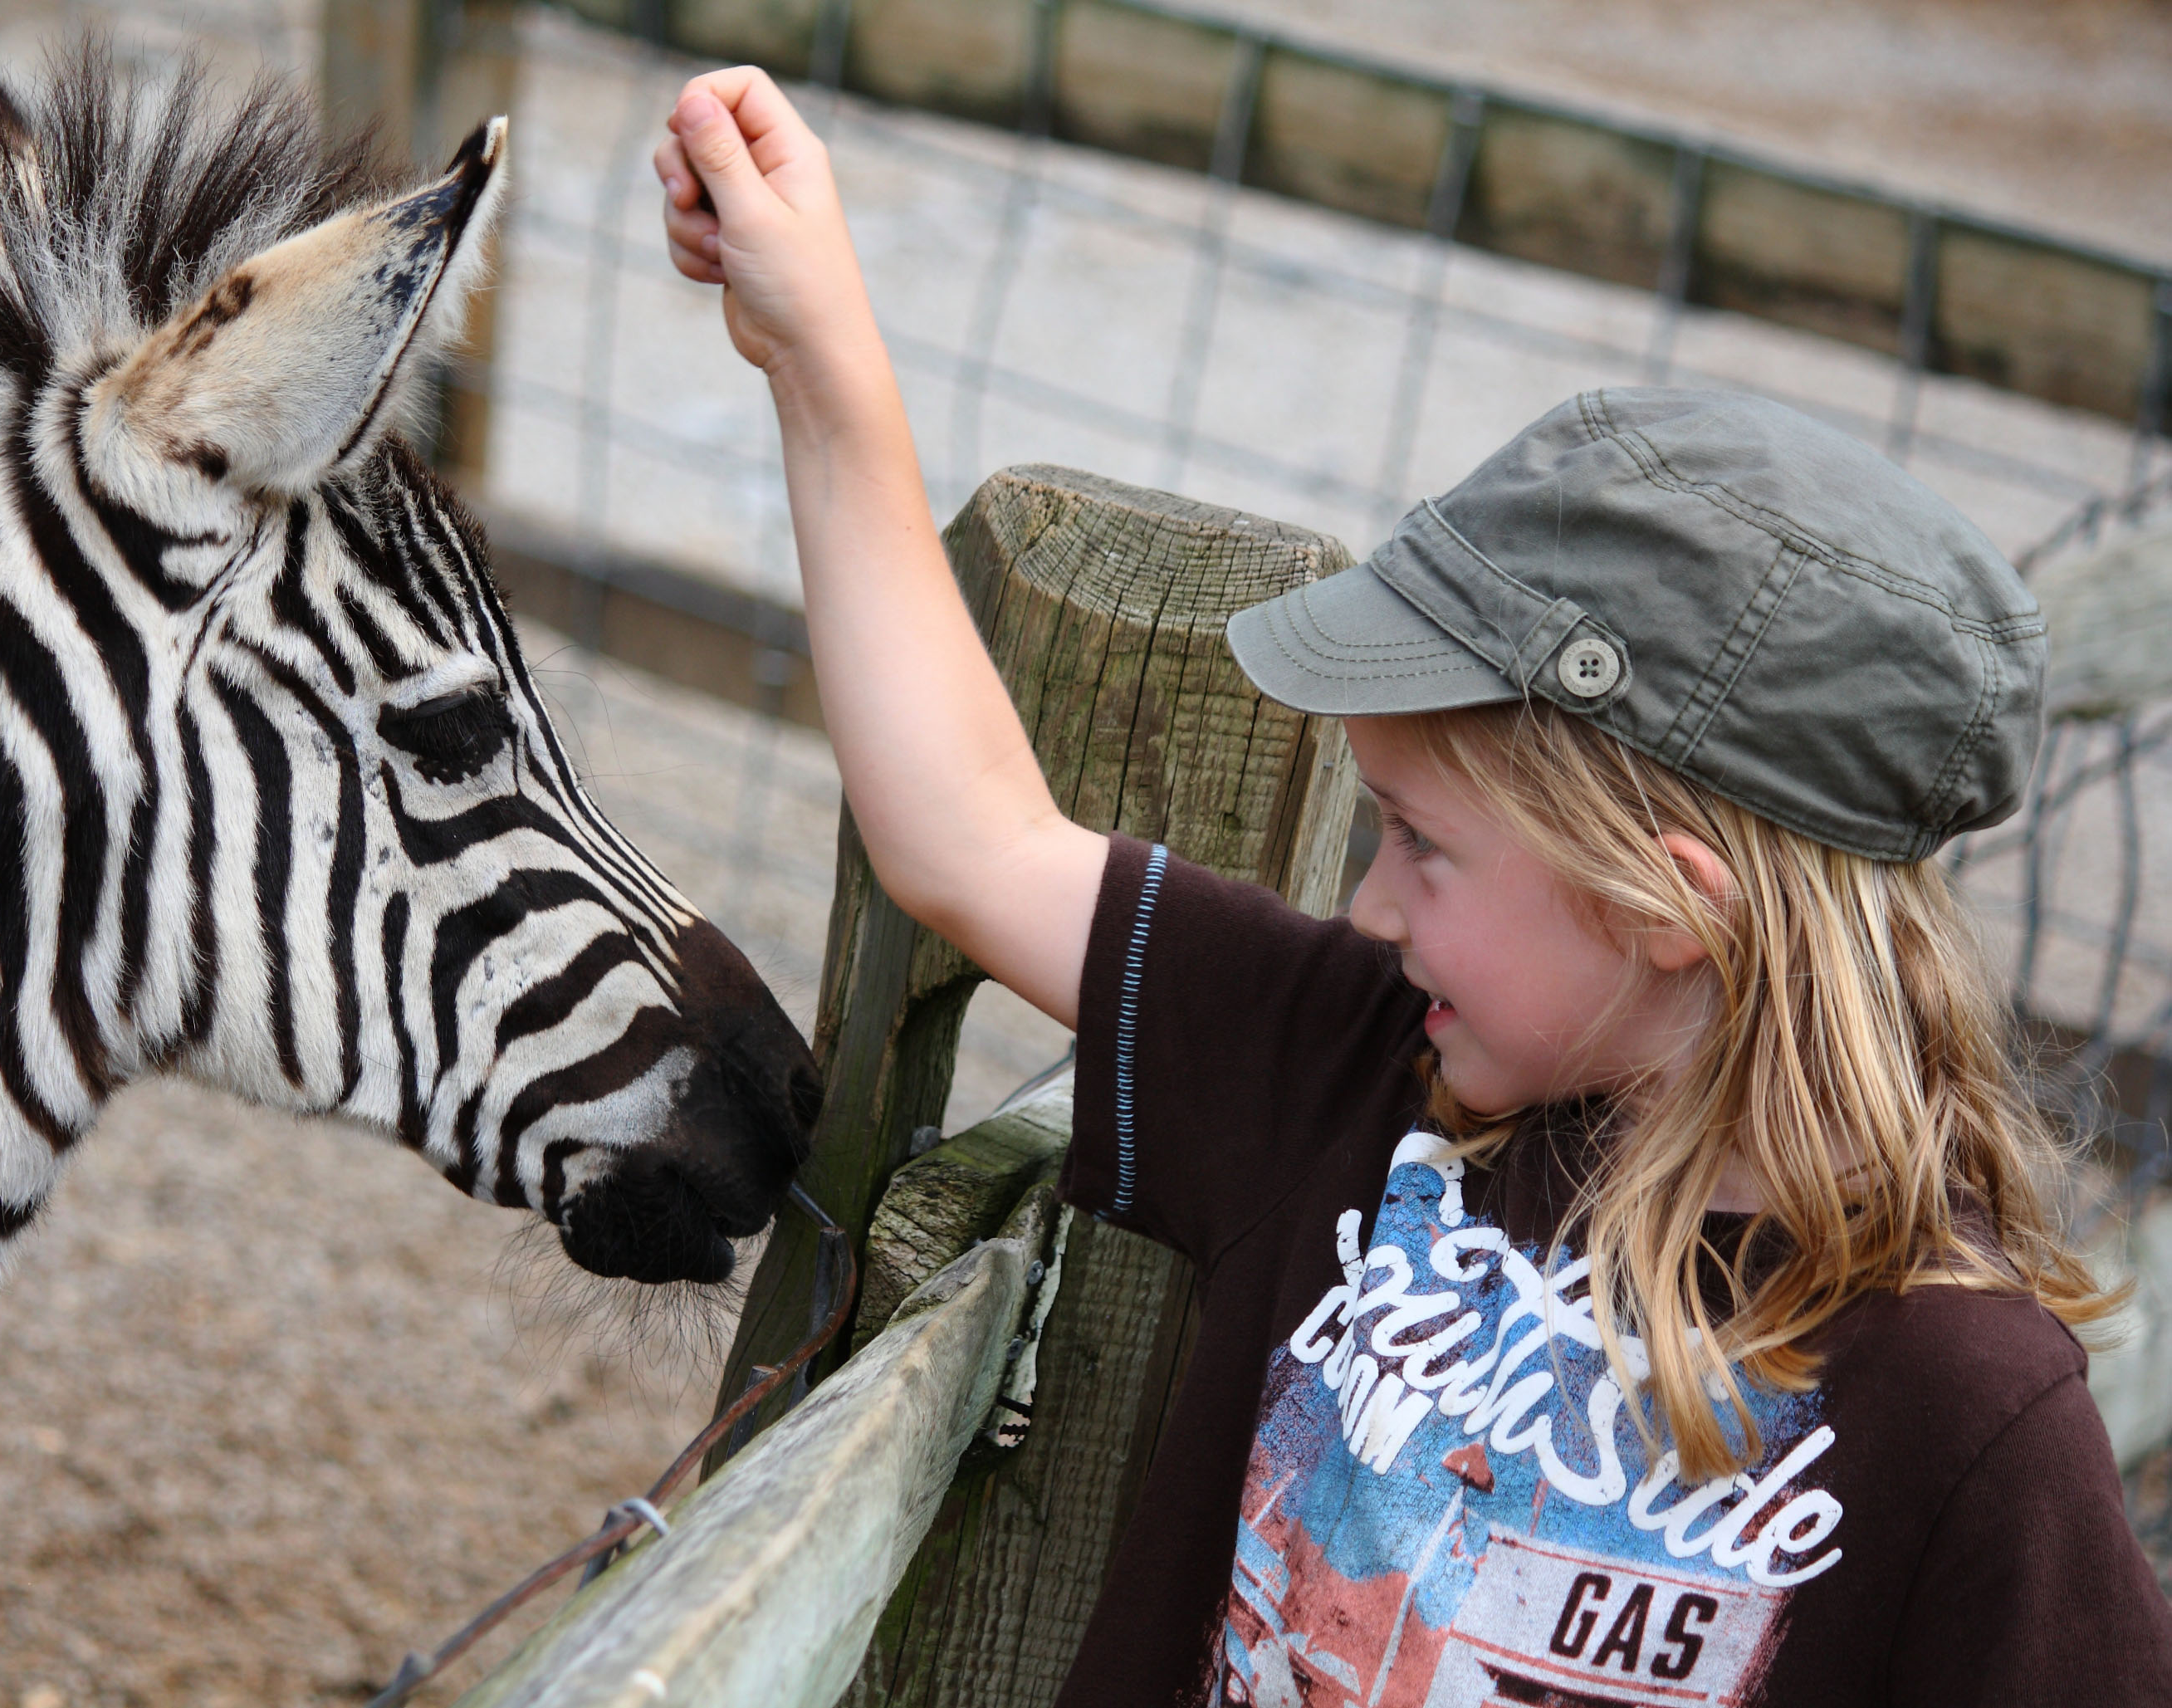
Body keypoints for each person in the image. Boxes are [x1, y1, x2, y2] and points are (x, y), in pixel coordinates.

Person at [652, 66, 2172, 1707]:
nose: (1370, 907)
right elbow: (968, 840)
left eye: (1422, 846)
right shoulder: (1344, 1069)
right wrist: (819, 358)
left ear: (1671, 904)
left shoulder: (1963, 1412)